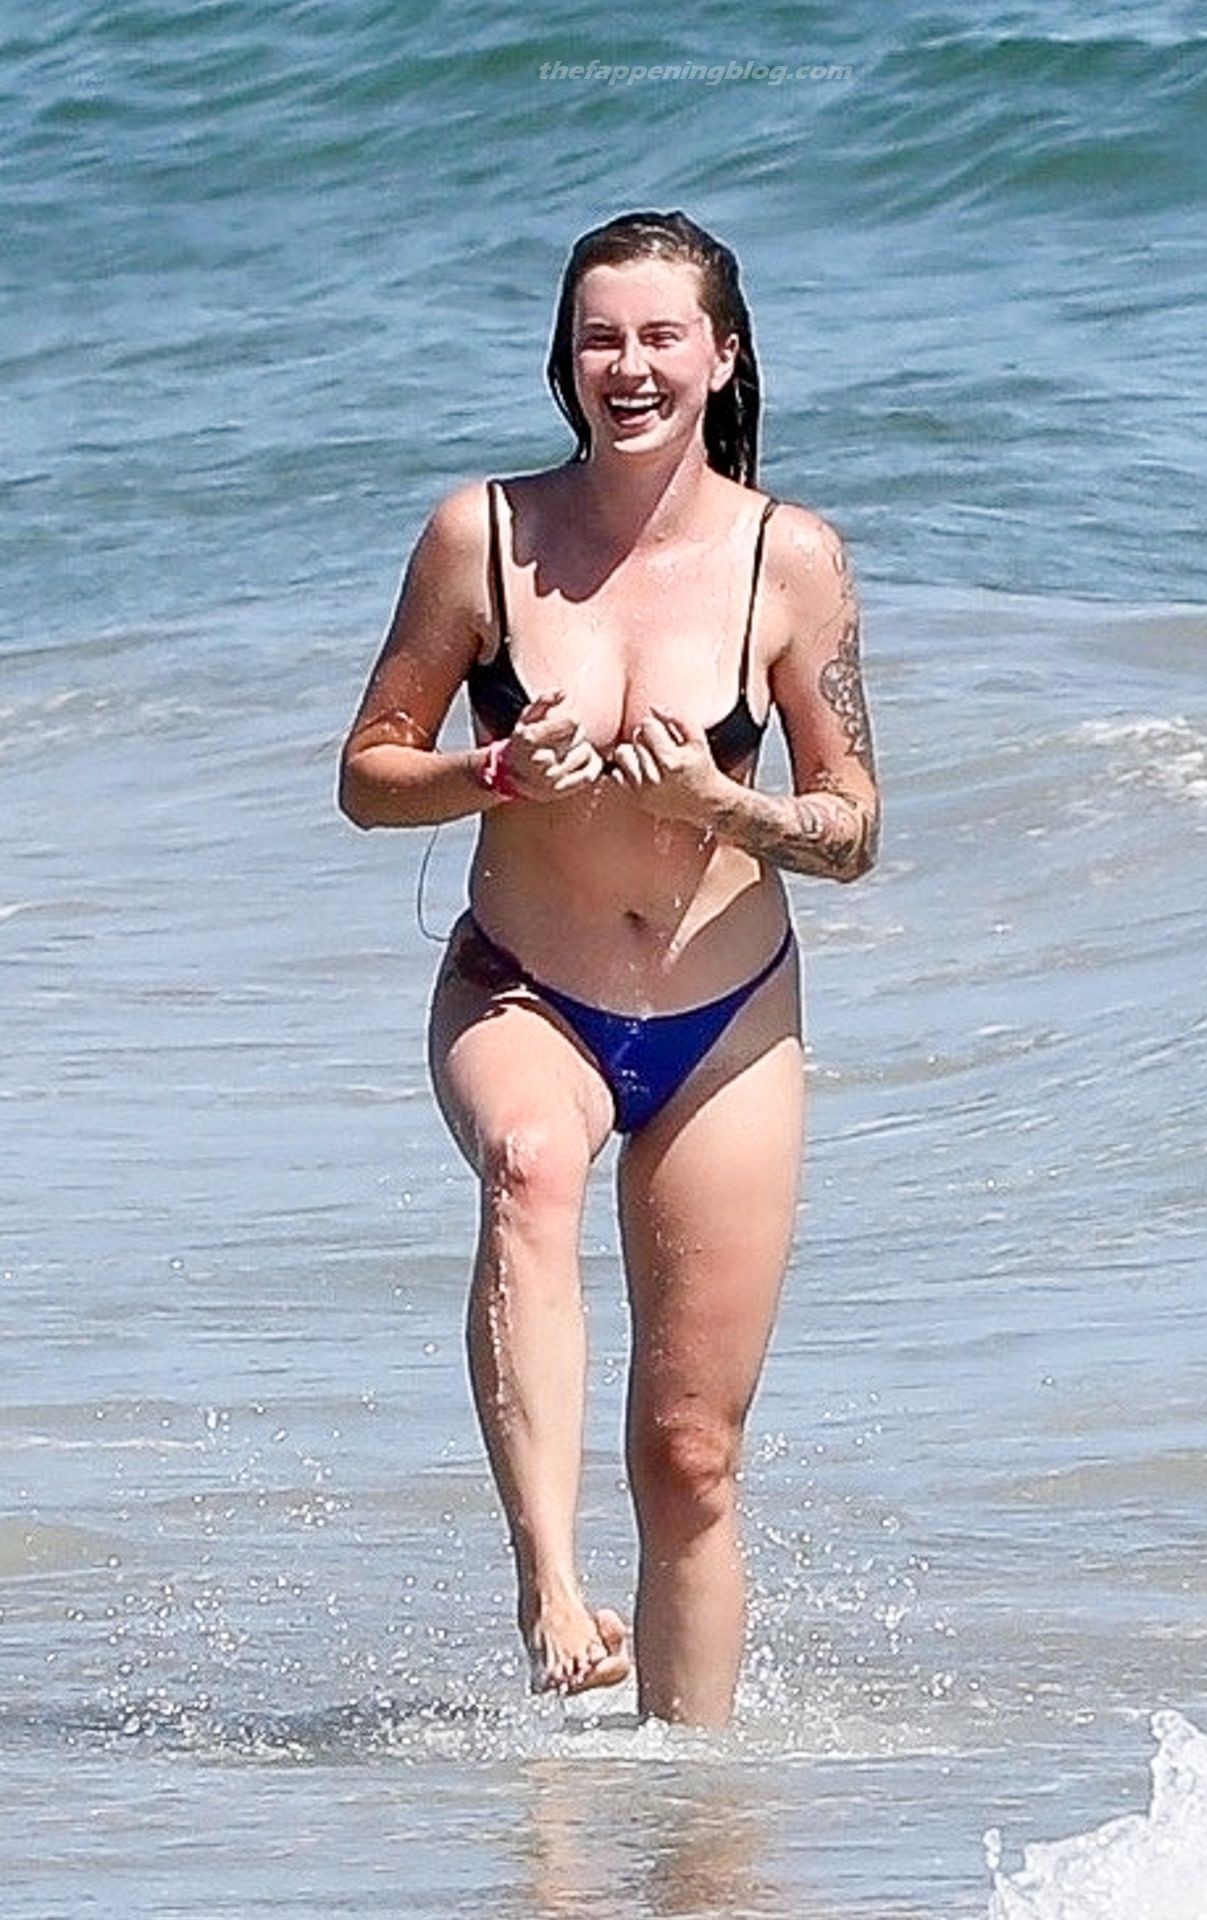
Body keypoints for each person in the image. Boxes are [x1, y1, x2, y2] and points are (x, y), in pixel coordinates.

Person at [338, 210, 879, 1729]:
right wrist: (492, 774)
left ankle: (688, 1814)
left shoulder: (791, 559)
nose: (628, 367)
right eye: (599, 338)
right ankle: (552, 1589)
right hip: (525, 987)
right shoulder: (482, 539)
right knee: (529, 1163)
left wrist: (724, 805)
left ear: (724, 356)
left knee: (691, 1458)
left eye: (659, 337)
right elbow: (369, 774)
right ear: (564, 360)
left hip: (727, 1018)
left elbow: (852, 827)